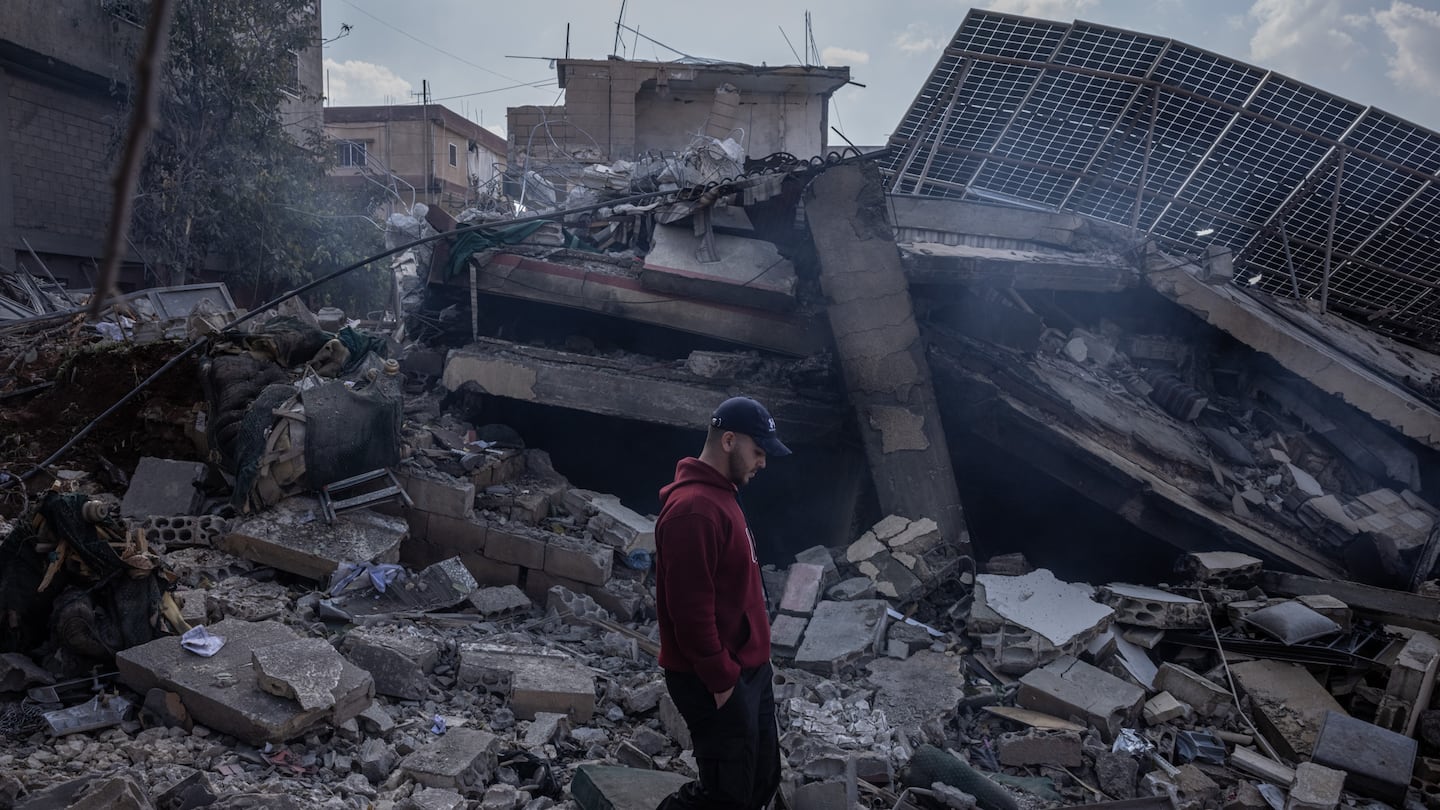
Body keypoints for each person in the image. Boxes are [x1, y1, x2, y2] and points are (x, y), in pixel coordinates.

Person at [654, 396, 791, 809]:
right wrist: (721, 679)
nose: (763, 463)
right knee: (724, 798)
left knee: (761, 779)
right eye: (758, 451)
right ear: (729, 440)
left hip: (749, 670)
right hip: (712, 676)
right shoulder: (693, 510)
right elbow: (690, 613)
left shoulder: (722, 497)